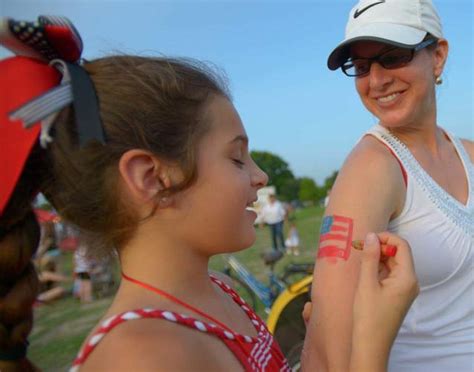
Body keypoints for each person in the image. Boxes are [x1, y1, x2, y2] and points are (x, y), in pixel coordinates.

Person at [0, 15, 419, 372]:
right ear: (151, 177)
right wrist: (368, 348)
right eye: (236, 158)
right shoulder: (143, 355)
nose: (259, 177)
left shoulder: (218, 290)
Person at [309, 0, 474, 371]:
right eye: (362, 67)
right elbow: (327, 345)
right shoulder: (374, 168)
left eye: (394, 56)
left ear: (438, 57)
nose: (377, 80)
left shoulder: (467, 153)